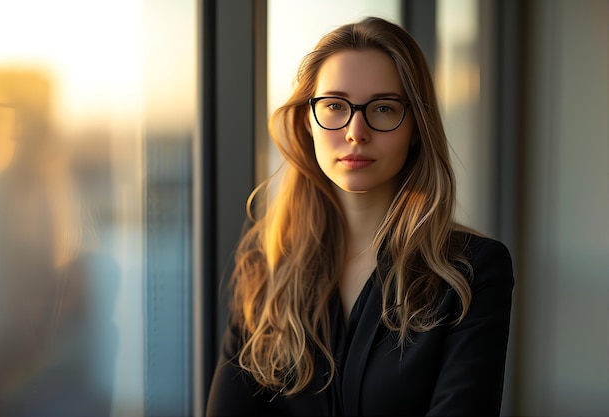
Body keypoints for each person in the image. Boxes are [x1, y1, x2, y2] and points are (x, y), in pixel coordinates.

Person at [206, 16, 514, 416]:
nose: (356, 131)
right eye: (334, 105)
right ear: (308, 122)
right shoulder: (266, 269)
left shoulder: (471, 271)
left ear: (416, 127)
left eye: (383, 109)